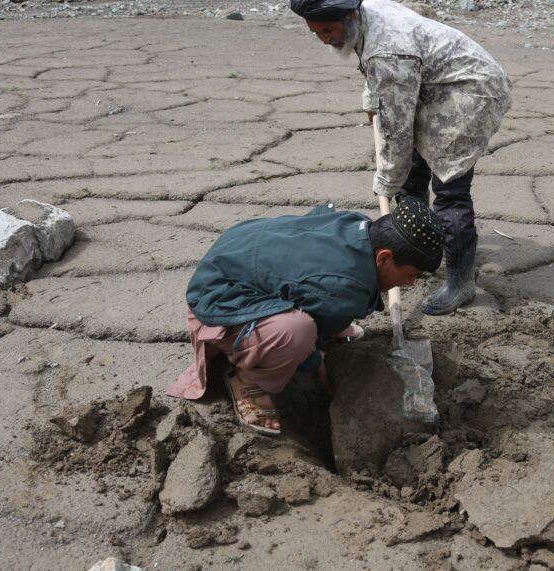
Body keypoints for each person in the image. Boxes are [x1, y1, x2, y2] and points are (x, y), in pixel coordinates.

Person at [290, 0, 512, 315]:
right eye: (317, 33)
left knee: (449, 190)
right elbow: (379, 75)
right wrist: (372, 98)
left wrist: (387, 180)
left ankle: (460, 282)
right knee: (411, 173)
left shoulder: (388, 53)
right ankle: (419, 247)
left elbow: (396, 132)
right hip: (432, 83)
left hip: (470, 92)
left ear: (350, 16)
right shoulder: (366, 13)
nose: (325, 39)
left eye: (329, 30)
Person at [166, 198, 444, 435]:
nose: (410, 284)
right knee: (297, 333)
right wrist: (314, 359)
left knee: (327, 312)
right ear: (383, 258)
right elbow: (323, 306)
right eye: (410, 275)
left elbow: (314, 270)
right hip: (218, 301)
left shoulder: (357, 224)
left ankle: (304, 330)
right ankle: (248, 380)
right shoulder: (344, 289)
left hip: (232, 255)